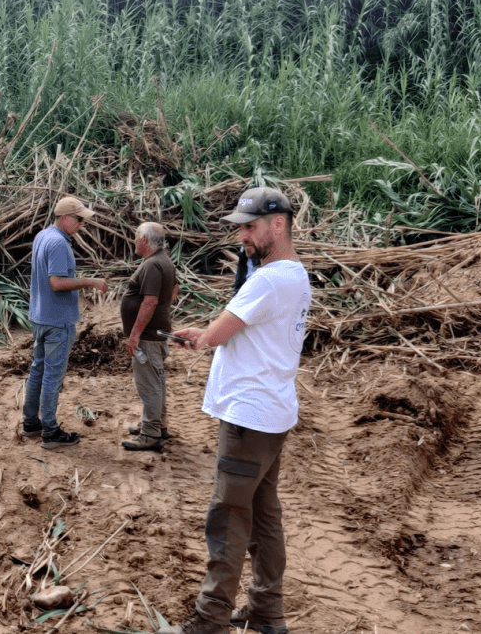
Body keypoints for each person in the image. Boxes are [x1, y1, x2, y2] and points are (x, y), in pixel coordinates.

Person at [158, 187, 311, 634]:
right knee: (264, 515)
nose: (240, 236)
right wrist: (206, 334)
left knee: (228, 514)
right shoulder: (295, 274)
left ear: (277, 225)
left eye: (249, 227)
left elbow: (220, 332)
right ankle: (266, 611)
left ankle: (211, 618)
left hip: (248, 416)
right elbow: (233, 328)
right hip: (272, 412)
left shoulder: (268, 280)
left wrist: (200, 336)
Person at [21, 196, 108, 449]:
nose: (82, 224)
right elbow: (57, 283)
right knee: (52, 375)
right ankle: (50, 430)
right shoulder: (59, 244)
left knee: (38, 369)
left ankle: (31, 422)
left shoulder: (42, 236)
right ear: (66, 218)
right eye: (79, 219)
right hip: (57, 320)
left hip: (39, 316)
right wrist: (90, 281)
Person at [120, 222, 179, 452]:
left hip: (148, 338)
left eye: (136, 237)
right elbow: (174, 288)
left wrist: (134, 335)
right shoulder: (163, 260)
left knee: (150, 385)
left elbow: (150, 301)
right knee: (158, 382)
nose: (134, 241)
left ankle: (151, 434)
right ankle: (157, 425)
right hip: (156, 333)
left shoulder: (153, 264)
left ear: (145, 240)